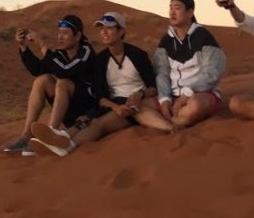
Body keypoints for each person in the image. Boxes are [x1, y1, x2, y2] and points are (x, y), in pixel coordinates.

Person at [28, 10, 173, 156]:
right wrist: (114, 107)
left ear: (121, 31)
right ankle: (55, 140)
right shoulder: (101, 60)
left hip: (135, 105)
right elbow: (101, 97)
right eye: (102, 28)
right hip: (114, 105)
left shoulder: (137, 55)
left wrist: (139, 94)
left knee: (98, 124)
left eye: (109, 28)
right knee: (85, 121)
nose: (104, 32)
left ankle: (66, 148)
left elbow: (153, 87)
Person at [4, 14, 96, 155]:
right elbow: (38, 70)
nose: (60, 37)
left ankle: (49, 135)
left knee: (62, 83)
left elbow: (65, 70)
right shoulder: (61, 54)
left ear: (77, 36)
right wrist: (23, 47)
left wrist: (42, 45)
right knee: (42, 80)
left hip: (87, 113)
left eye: (65, 33)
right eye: (59, 32)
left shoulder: (86, 51)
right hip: (70, 111)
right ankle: (27, 135)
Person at [153, 0, 226, 127]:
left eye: (177, 8)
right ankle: (173, 123)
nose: (172, 12)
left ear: (190, 12)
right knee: (142, 106)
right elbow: (161, 72)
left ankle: (168, 123)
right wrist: (164, 99)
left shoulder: (203, 36)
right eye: (170, 8)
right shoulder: (166, 41)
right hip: (173, 95)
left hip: (199, 93)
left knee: (195, 105)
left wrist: (187, 93)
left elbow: (212, 73)